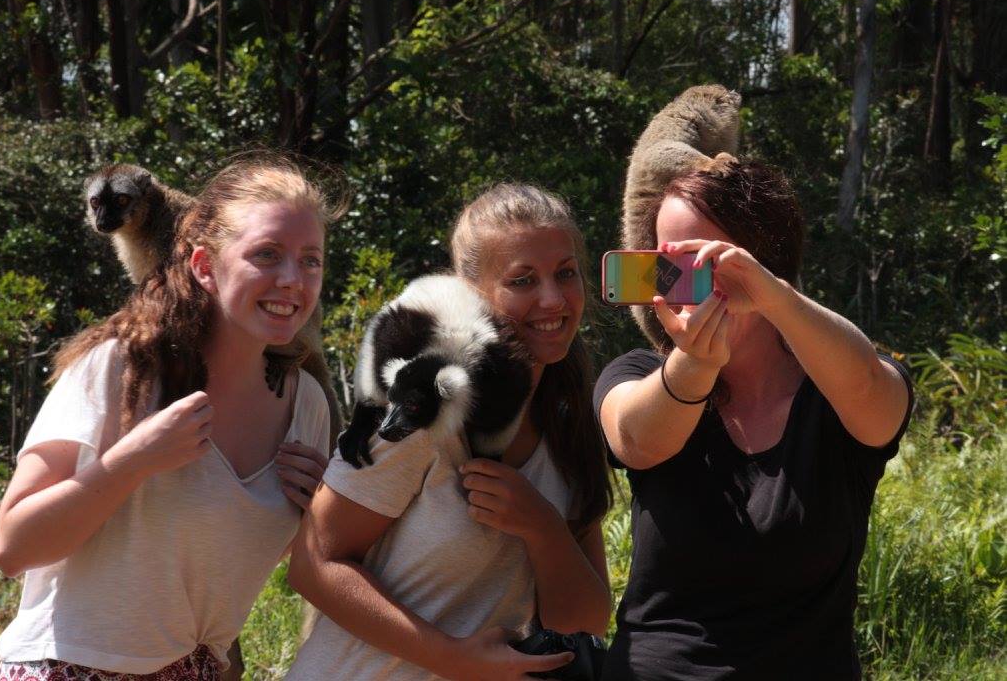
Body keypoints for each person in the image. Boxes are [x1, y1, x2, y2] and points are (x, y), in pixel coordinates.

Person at [0, 157, 338, 680]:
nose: (292, 280)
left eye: (310, 260)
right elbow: (12, 548)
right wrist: (130, 462)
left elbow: (257, 556)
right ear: (201, 265)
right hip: (72, 665)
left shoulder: (305, 403)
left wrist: (322, 514)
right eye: (266, 255)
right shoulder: (120, 369)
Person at [594, 162, 914, 680]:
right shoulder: (638, 374)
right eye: (665, 265)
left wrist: (774, 298)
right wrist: (696, 363)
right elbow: (637, 440)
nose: (682, 287)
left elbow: (873, 393)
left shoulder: (837, 389)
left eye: (699, 263)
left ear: (764, 267)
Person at [281, 184, 613, 680]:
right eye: (522, 280)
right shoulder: (428, 406)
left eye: (565, 274)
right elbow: (314, 566)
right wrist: (453, 659)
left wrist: (541, 527)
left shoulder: (568, 421)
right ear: (471, 292)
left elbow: (582, 617)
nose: (552, 298)